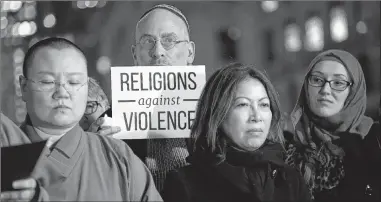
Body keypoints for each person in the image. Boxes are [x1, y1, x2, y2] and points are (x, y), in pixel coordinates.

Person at [0, 37, 162, 201]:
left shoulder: (117, 155)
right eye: (47, 81)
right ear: (24, 87)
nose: (62, 92)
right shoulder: (6, 153)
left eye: (74, 82)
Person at [162, 63, 311, 202]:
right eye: (243, 104)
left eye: (264, 104)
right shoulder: (185, 183)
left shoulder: (290, 179)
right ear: (217, 114)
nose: (256, 116)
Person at [284, 49, 378, 202]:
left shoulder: (371, 140)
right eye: (317, 80)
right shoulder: (289, 151)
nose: (325, 90)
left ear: (353, 90)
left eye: (338, 83)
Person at [127, 3, 196, 192]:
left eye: (169, 40)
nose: (157, 52)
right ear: (135, 55)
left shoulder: (217, 118)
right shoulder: (113, 125)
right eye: (148, 41)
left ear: (190, 52)